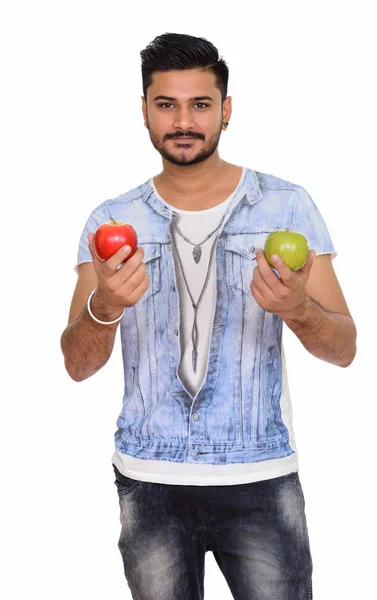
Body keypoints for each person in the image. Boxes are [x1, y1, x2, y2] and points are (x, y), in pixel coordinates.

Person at [60, 32, 357, 600]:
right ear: (144, 111)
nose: (183, 121)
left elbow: (343, 347)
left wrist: (297, 310)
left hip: (261, 477)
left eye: (200, 104)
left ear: (225, 110)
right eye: (166, 104)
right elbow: (76, 363)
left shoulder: (286, 206)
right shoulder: (111, 220)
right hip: (150, 481)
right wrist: (107, 306)